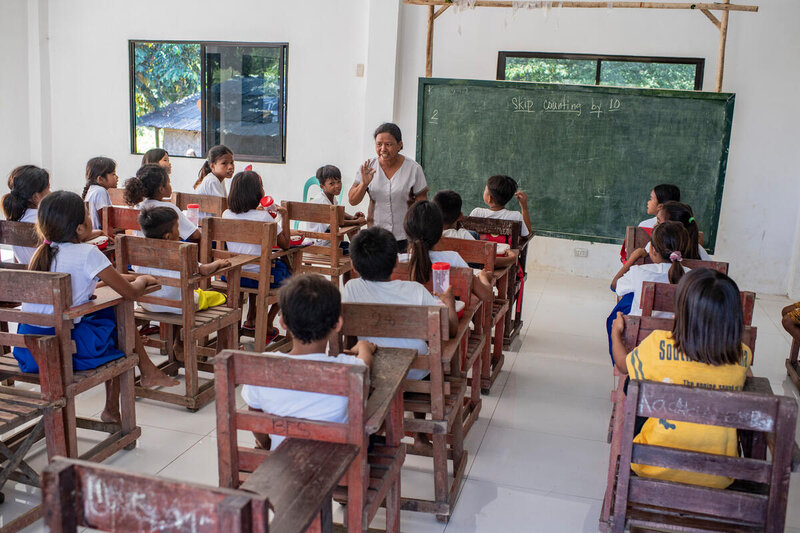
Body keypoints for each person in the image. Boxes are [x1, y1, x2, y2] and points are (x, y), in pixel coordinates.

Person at [13, 191, 178, 422]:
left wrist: (124, 278)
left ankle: (146, 373)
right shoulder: (88, 253)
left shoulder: (42, 254)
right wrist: (143, 279)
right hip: (63, 351)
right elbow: (130, 294)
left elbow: (80, 287)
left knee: (107, 315)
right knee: (118, 319)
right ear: (79, 228)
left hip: (28, 350)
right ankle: (115, 405)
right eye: (87, 216)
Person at [610, 268, 752, 489]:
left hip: (650, 465)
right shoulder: (743, 355)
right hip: (719, 475)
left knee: (634, 382)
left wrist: (615, 334)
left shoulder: (657, 344)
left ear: (682, 311)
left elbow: (622, 364)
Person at [342, 226, 457, 451]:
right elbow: (449, 330)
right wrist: (450, 303)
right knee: (423, 357)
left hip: (374, 370)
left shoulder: (351, 289)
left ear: (353, 265)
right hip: (416, 371)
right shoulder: (415, 290)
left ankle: (381, 423)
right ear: (396, 262)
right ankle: (421, 437)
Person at [242, 273, 376, 451]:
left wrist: (267, 444)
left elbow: (255, 417)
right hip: (333, 463)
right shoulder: (349, 368)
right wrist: (365, 348)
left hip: (281, 461)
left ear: (282, 323)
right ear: (337, 324)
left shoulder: (263, 368)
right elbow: (366, 364)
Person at [134, 207, 230, 360]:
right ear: (167, 236)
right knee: (221, 297)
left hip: (148, 304)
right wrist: (217, 264)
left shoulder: (137, 249)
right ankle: (222, 352)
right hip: (180, 305)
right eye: (177, 227)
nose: (179, 232)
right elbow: (204, 270)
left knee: (180, 294)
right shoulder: (180, 250)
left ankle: (178, 344)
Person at [222, 170, 290, 343]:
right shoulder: (264, 216)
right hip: (260, 277)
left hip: (232, 274)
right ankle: (267, 322)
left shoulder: (226, 214)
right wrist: (285, 216)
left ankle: (251, 319)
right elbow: (286, 244)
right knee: (292, 280)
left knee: (257, 265)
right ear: (257, 193)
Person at [607, 221, 690, 360]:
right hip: (678, 339)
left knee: (617, 316)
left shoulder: (638, 272)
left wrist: (633, 258)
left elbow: (615, 286)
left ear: (652, 249)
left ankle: (619, 363)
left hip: (640, 337)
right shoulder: (692, 276)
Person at [349, 123, 428, 251]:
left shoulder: (413, 169)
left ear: (399, 145)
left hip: (405, 237)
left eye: (388, 144)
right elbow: (352, 200)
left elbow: (423, 205)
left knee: (401, 271)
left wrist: (419, 236)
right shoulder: (368, 167)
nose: (383, 149)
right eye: (379, 144)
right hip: (376, 236)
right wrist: (364, 184)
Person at [403, 200, 494, 302]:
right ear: (439, 232)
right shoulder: (453, 259)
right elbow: (487, 296)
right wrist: (483, 276)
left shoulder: (398, 261)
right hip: (447, 316)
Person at [433, 189, 518, 268]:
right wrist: (511, 259)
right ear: (460, 216)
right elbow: (489, 262)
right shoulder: (463, 236)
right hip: (466, 278)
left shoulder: (429, 235)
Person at [124, 163, 200, 242]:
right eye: (168, 183)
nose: (170, 185)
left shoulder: (138, 206)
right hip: (166, 252)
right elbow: (195, 234)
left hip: (140, 250)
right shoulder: (168, 208)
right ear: (161, 189)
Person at [305, 165, 365, 252]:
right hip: (320, 244)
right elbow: (336, 222)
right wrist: (356, 222)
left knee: (354, 247)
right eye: (332, 183)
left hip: (328, 241)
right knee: (354, 250)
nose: (337, 186)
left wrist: (352, 217)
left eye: (339, 182)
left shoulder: (331, 197)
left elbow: (339, 213)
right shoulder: (322, 201)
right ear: (322, 187)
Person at [2, 165, 50, 266]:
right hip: (50, 278)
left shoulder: (15, 219)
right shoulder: (44, 220)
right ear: (36, 197)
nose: (51, 193)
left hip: (24, 277)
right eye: (48, 189)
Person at [621, 184, 681, 263]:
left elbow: (630, 256)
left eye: (651, 198)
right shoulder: (684, 227)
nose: (648, 202)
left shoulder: (644, 226)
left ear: (660, 206)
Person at [82, 156, 118, 230]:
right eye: (113, 174)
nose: (117, 177)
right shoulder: (100, 191)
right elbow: (105, 220)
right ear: (100, 179)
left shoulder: (92, 190)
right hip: (101, 235)